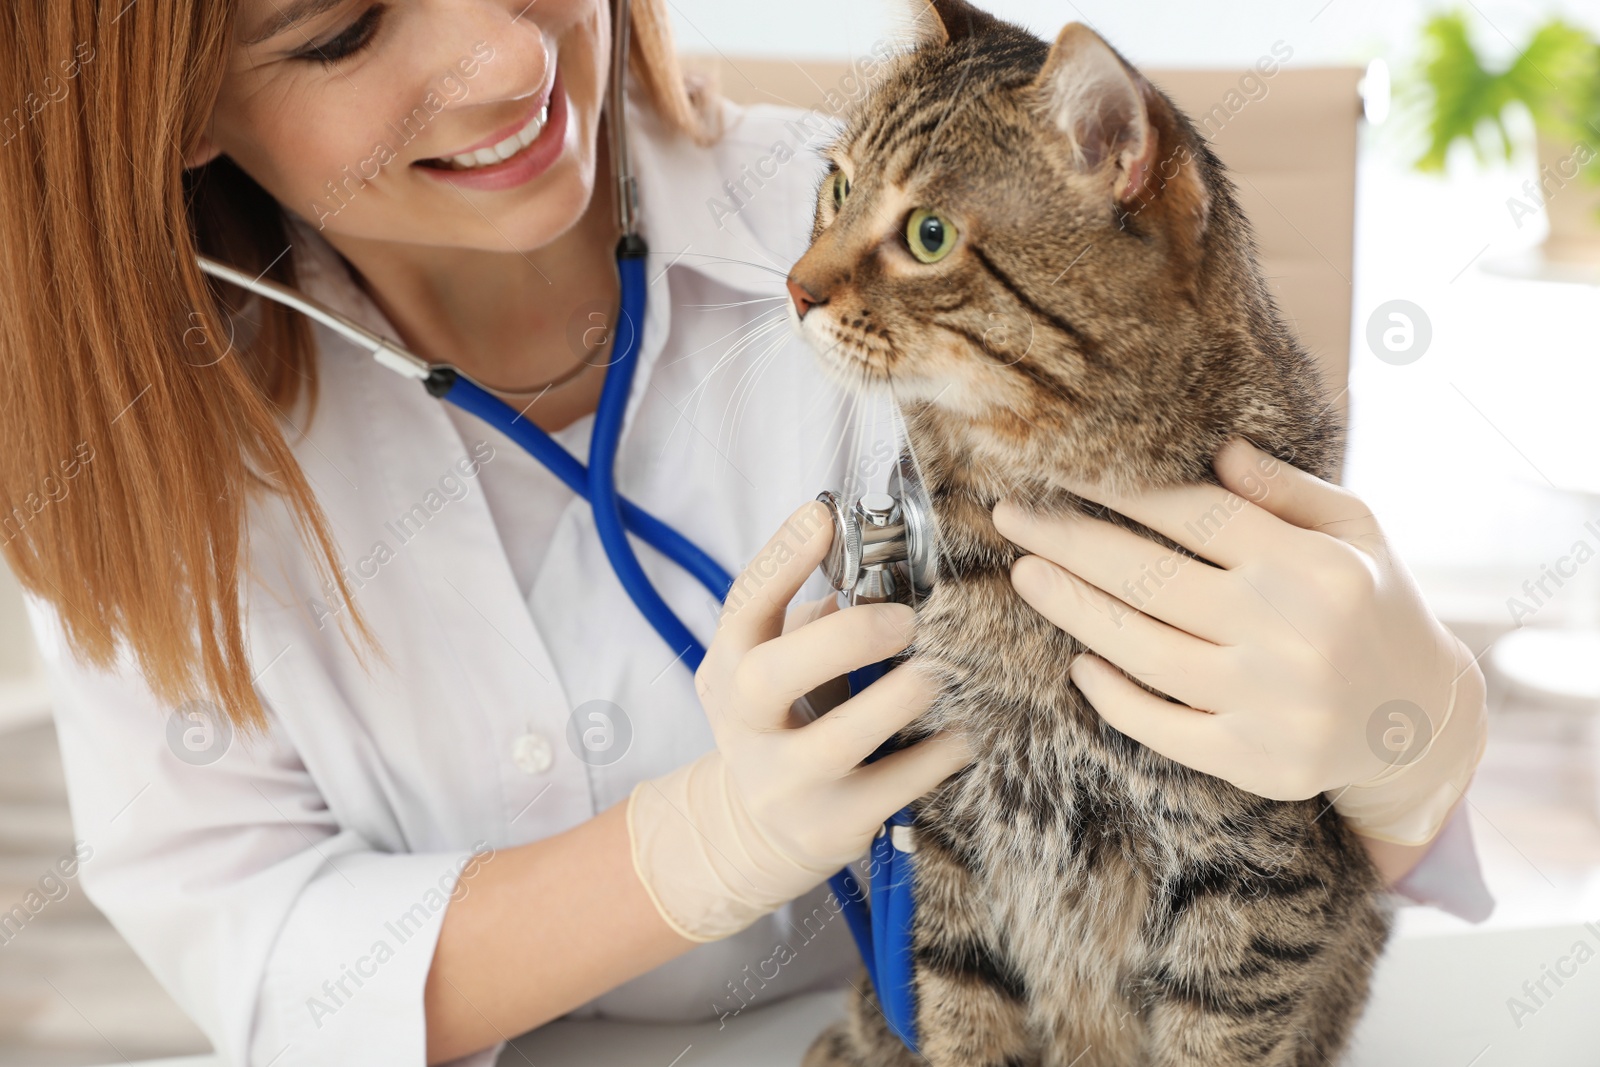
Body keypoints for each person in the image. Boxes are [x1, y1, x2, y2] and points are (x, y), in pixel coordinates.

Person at [0, 2, 1491, 1065]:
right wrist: (684, 855)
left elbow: (1291, 856)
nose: (511, 57)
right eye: (340, 31)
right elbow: (255, 952)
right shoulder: (116, 442)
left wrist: (1412, 732)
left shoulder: (899, 247)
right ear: (175, 104)